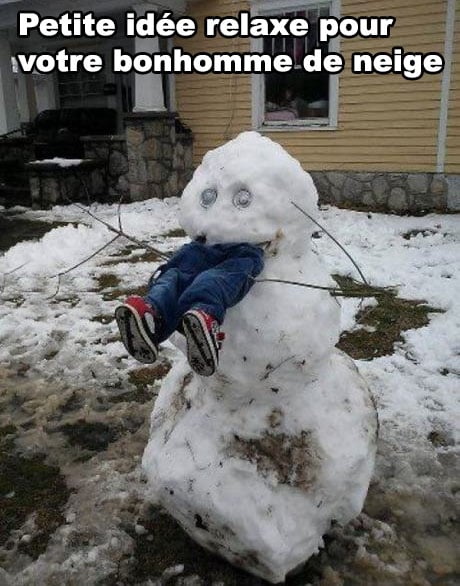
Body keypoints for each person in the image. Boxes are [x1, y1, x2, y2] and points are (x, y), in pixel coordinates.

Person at [115, 240, 264, 377]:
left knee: (182, 277)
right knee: (201, 278)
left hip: (216, 242)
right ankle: (193, 316)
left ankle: (156, 313)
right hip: (230, 243)